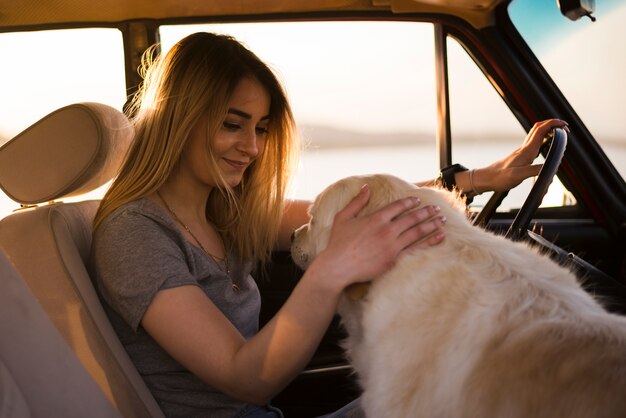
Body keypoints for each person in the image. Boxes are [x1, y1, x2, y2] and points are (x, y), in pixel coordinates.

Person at [89, 32, 568, 418]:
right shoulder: (133, 233)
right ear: (179, 118)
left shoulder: (222, 209)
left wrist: (479, 179)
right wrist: (332, 268)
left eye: (260, 128)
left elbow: (358, 208)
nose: (253, 148)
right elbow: (244, 377)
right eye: (232, 124)